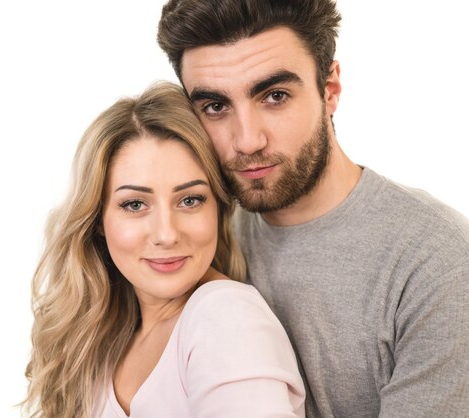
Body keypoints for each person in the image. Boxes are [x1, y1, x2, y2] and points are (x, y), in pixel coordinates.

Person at [157, 1, 469, 417]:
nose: (247, 141)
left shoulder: (437, 261)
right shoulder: (196, 236)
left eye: (275, 96)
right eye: (216, 106)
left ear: (329, 90)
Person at [23, 82, 305, 418]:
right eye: (135, 204)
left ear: (217, 208)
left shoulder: (225, 317)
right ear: (98, 219)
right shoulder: (105, 338)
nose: (166, 234)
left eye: (190, 200)